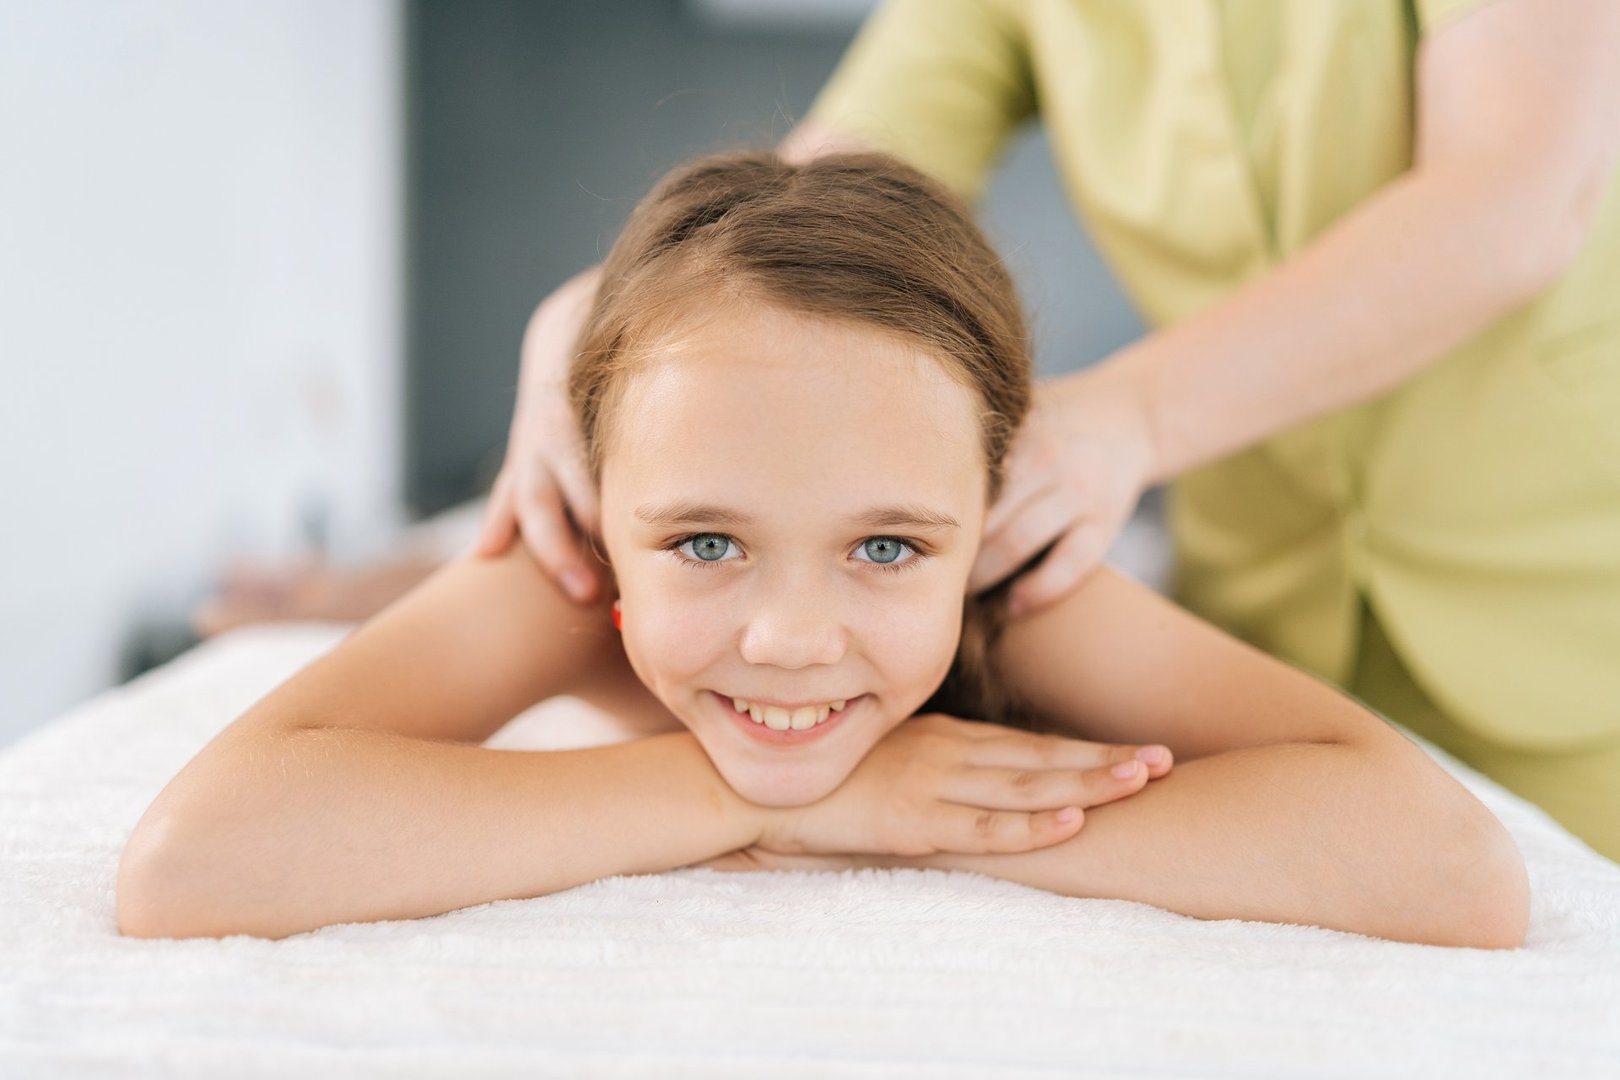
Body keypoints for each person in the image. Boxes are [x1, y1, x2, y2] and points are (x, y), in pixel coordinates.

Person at [119, 150, 1527, 948]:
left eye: (888, 549)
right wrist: (797, 803)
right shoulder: (571, 578)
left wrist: (874, 798)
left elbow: (1451, 871)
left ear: (986, 511)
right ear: (604, 510)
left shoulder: (1011, 596)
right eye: (710, 539)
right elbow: (195, 862)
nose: (791, 635)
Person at [478, 0, 1620, 861]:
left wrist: (1133, 413)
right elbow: (823, 201)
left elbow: (1511, 200)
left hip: (1564, 590)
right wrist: (600, 314)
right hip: (1270, 594)